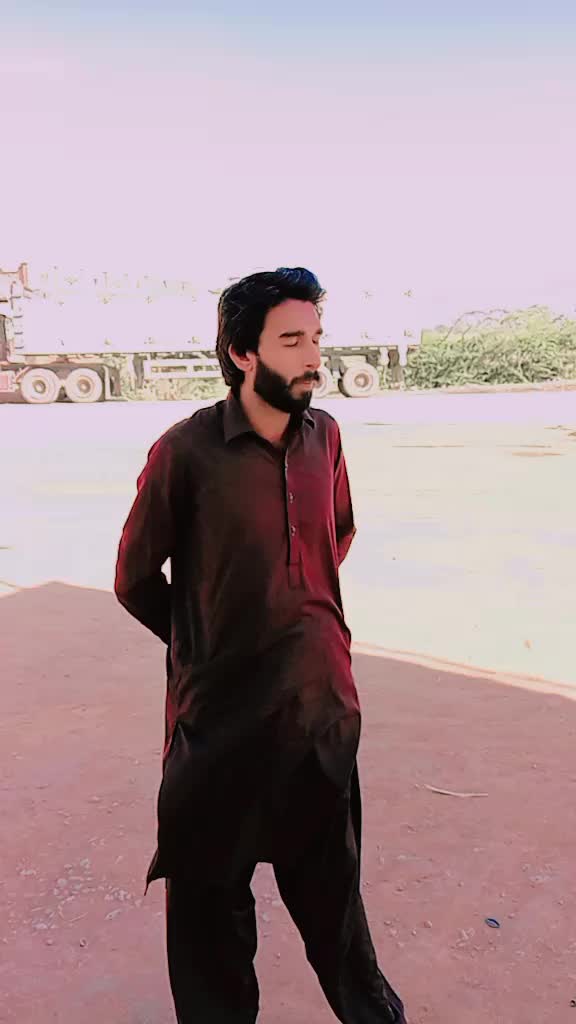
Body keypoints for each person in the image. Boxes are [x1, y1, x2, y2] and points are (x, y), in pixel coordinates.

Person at [114, 267, 407, 1024]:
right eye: (292, 340)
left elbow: (335, 534)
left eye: (316, 338)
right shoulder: (187, 452)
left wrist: (298, 623)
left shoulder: (325, 437)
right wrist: (206, 644)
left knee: (340, 925)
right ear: (243, 353)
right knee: (210, 932)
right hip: (221, 731)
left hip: (320, 714)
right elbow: (134, 577)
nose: (313, 357)